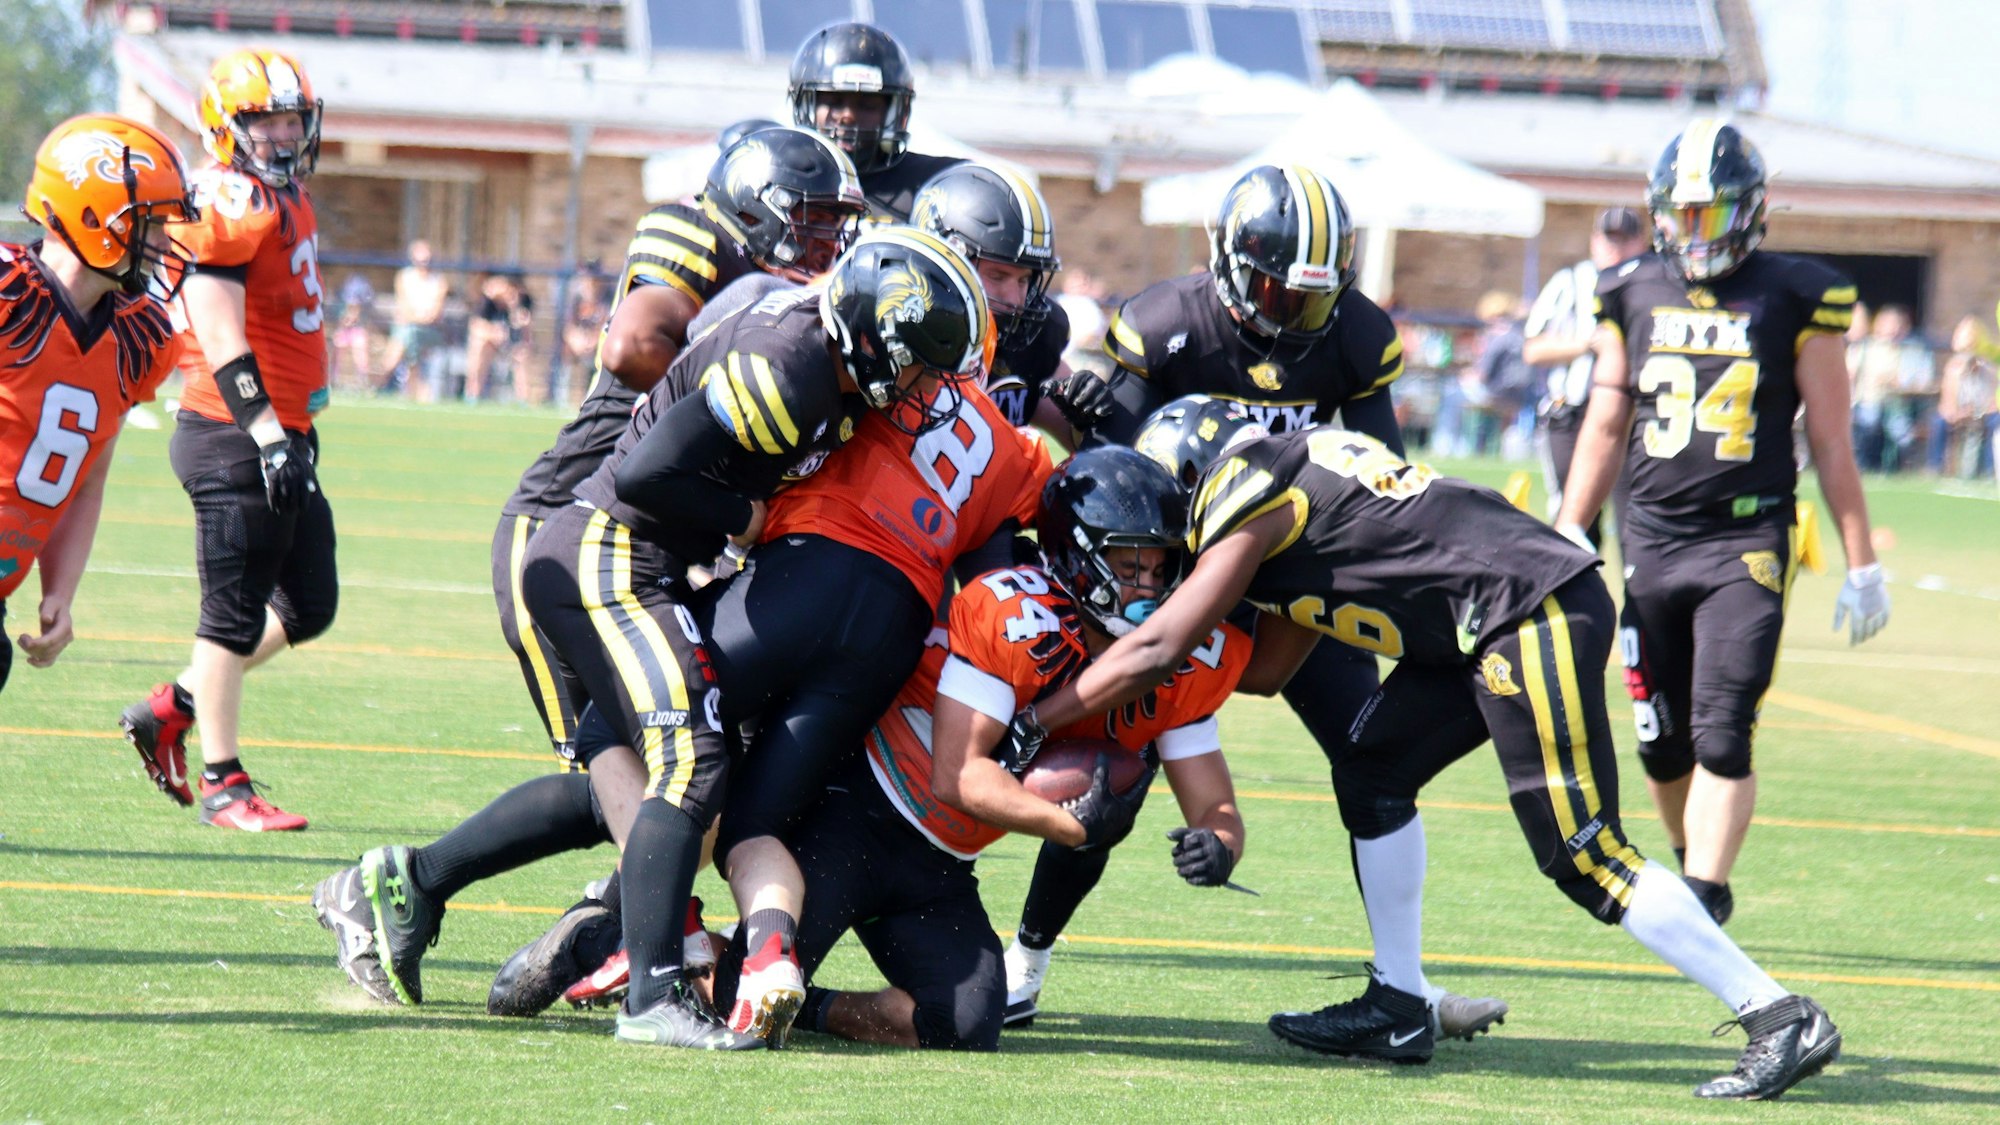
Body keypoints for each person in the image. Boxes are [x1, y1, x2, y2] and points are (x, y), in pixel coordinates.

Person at [1022, 403, 1843, 1099]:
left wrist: (1043, 713)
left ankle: (1778, 1013)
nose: (1170, 553)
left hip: (1528, 610)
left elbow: (1164, 646)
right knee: (1373, 767)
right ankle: (1399, 999)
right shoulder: (1293, 491)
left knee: (1586, 855)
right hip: (1484, 624)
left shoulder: (1250, 479)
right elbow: (1268, 670)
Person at [329, 229, 994, 1053]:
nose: (925, 388)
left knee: (664, 771)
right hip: (609, 558)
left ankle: (412, 881)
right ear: (870, 331)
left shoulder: (825, 358)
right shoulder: (787, 370)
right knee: (693, 761)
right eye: (920, 365)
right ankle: (653, 992)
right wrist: (744, 521)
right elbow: (645, 471)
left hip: (648, 566)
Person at [1009, 166, 1503, 1039]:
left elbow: (1386, 482)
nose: (1292, 311)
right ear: (1231, 263)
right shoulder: (1166, 326)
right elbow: (1119, 477)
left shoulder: (1354, 336)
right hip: (1178, 572)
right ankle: (1027, 960)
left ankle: (1404, 988)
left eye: (1313, 295)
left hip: (1296, 582)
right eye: (1276, 285)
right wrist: (1084, 418)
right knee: (1118, 763)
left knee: (1374, 759)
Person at [1555, 120, 1890, 928]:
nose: (1696, 232)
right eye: (1684, 214)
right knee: (1660, 744)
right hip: (1650, 540)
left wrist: (1862, 560)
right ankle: (1687, 862)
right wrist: (1567, 526)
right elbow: (1605, 421)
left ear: (1751, 210)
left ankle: (1703, 894)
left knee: (1722, 728)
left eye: (1712, 214)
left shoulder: (1796, 292)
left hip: (1745, 539)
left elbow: (1831, 437)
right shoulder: (1629, 287)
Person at [118, 48, 335, 832]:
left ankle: (172, 703)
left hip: (281, 431)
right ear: (226, 128)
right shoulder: (226, 204)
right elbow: (217, 334)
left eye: (289, 120)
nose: (281, 136)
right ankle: (223, 783)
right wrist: (268, 435)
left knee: (308, 602)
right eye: (264, 122)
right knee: (232, 614)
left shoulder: (282, 195)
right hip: (234, 433)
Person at [1, 115, 196, 698]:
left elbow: (86, 481)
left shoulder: (142, 339)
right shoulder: (8, 295)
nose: (164, 241)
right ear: (91, 217)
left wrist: (59, 589)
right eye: (151, 223)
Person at [908, 162, 1083, 436]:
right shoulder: (897, 342)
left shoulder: (1034, 341)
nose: (1015, 299)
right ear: (942, 264)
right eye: (998, 276)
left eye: (1024, 280)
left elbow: (1086, 441)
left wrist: (1090, 415)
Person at [1523, 207, 1651, 544]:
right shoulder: (1570, 282)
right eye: (1610, 238)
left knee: (1636, 523)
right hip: (1573, 415)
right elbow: (1533, 348)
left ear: (1641, 242)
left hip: (1634, 421)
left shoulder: (1653, 283)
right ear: (1595, 240)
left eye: (1625, 240)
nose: (1616, 247)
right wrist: (1587, 344)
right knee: (1573, 523)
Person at [789, 21, 963, 222]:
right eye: (834, 102)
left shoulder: (936, 186)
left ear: (895, 111)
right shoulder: (780, 178)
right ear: (806, 103)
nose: (848, 116)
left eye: (867, 105)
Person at [376, 238, 448, 397]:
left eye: (426, 260)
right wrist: (414, 318)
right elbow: (404, 309)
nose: (424, 264)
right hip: (406, 328)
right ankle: (414, 390)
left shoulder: (439, 281)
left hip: (430, 332)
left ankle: (381, 379)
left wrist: (416, 319)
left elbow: (435, 314)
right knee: (408, 335)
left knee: (407, 335)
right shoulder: (404, 277)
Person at [1933, 314, 1998, 478]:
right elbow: (1947, 402)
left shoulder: (1989, 368)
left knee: (1995, 422)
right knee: (1939, 422)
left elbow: (1993, 398)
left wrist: (1981, 412)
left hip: (1984, 412)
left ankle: (1990, 470)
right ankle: (1935, 466)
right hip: (1961, 411)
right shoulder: (1954, 368)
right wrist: (1956, 413)